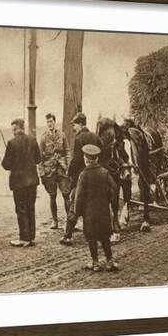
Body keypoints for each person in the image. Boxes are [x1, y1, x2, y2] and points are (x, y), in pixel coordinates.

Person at [60, 112, 104, 246]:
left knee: (74, 203)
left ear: (80, 124)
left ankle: (67, 236)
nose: (73, 128)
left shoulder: (79, 139)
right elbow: (102, 154)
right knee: (93, 206)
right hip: (95, 176)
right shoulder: (96, 137)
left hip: (81, 177)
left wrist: (69, 172)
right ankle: (97, 237)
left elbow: (77, 160)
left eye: (74, 125)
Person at [74, 144, 119, 272]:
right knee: (105, 237)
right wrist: (108, 199)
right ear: (97, 159)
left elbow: (79, 196)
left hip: (89, 214)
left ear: (86, 159)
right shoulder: (104, 172)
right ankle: (110, 261)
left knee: (91, 237)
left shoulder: (83, 175)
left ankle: (95, 263)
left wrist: (77, 212)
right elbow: (114, 188)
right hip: (103, 212)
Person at [1, 118, 41, 247]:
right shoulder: (33, 140)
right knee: (30, 208)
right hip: (32, 181)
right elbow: (38, 160)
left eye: (13, 129)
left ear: (16, 128)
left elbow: (6, 165)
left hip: (19, 183)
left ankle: (24, 238)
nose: (13, 132)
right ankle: (31, 238)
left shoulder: (11, 143)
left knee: (21, 209)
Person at [38, 113, 71, 230]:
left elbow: (67, 151)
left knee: (66, 194)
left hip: (61, 169)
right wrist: (42, 173)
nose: (49, 124)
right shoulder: (43, 138)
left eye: (51, 121)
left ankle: (69, 220)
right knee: (52, 196)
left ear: (55, 122)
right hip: (49, 170)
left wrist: (68, 166)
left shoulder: (62, 135)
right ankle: (55, 221)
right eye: (47, 122)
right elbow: (39, 158)